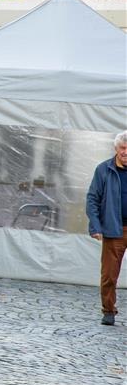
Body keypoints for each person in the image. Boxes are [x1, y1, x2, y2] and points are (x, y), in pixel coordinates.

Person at [85, 131, 127, 326]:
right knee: (109, 274)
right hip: (114, 228)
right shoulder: (104, 170)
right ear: (116, 149)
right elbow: (93, 199)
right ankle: (109, 311)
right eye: (123, 148)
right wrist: (95, 226)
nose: (126, 152)